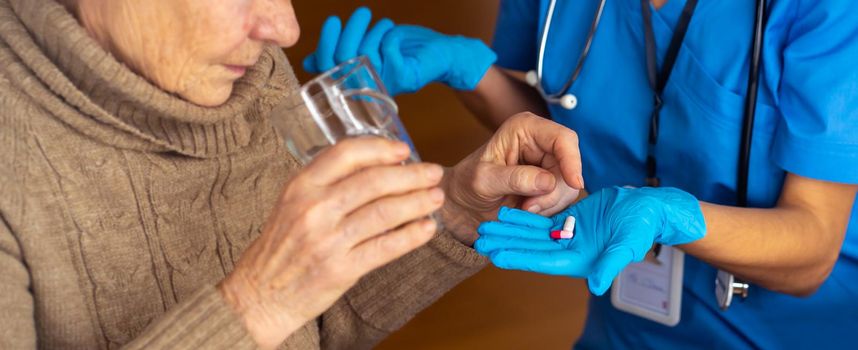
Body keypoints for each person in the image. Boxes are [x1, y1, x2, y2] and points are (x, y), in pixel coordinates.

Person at [0, 0, 587, 349]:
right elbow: (276, 307)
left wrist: (457, 209)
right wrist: (256, 302)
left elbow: (316, 324)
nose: (284, 29)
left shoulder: (246, 74)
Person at [305, 1, 858, 348]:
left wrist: (670, 215)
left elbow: (812, 251)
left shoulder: (826, 11)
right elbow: (556, 143)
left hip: (777, 332)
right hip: (626, 323)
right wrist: (470, 71)